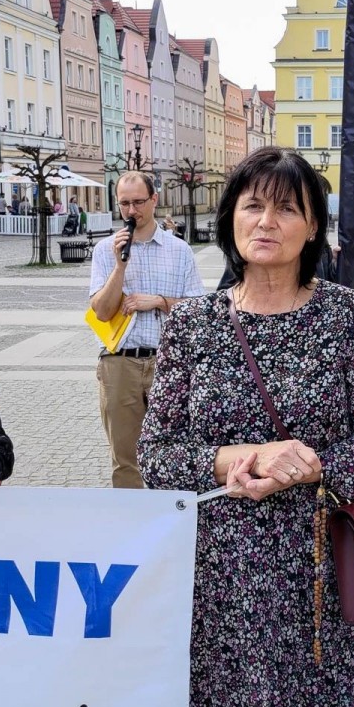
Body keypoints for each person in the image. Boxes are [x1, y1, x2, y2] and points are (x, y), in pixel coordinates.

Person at [138, 146, 354, 707]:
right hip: (222, 579)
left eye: (287, 208)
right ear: (231, 217)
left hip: (321, 576)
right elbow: (156, 457)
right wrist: (241, 457)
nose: (267, 220)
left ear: (313, 226)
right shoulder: (194, 325)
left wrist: (307, 466)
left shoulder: (348, 318)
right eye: (253, 205)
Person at [89, 170, 204, 489]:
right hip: (119, 362)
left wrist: (158, 301)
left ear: (154, 200)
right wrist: (119, 265)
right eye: (124, 204)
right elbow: (101, 311)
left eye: (138, 202)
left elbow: (197, 310)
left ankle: (173, 522)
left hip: (168, 362)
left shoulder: (178, 250)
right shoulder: (104, 251)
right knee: (125, 457)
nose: (131, 211)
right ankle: (134, 527)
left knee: (174, 448)